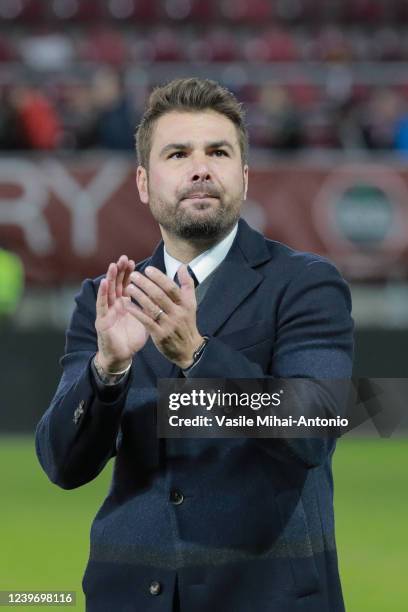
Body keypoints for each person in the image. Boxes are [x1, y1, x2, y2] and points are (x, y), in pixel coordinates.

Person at [35, 78, 353, 612]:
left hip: (264, 597)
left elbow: (314, 429)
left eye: (218, 152)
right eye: (178, 153)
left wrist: (198, 357)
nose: (200, 168)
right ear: (143, 181)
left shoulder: (306, 284)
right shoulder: (106, 298)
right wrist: (107, 370)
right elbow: (63, 466)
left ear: (244, 178)